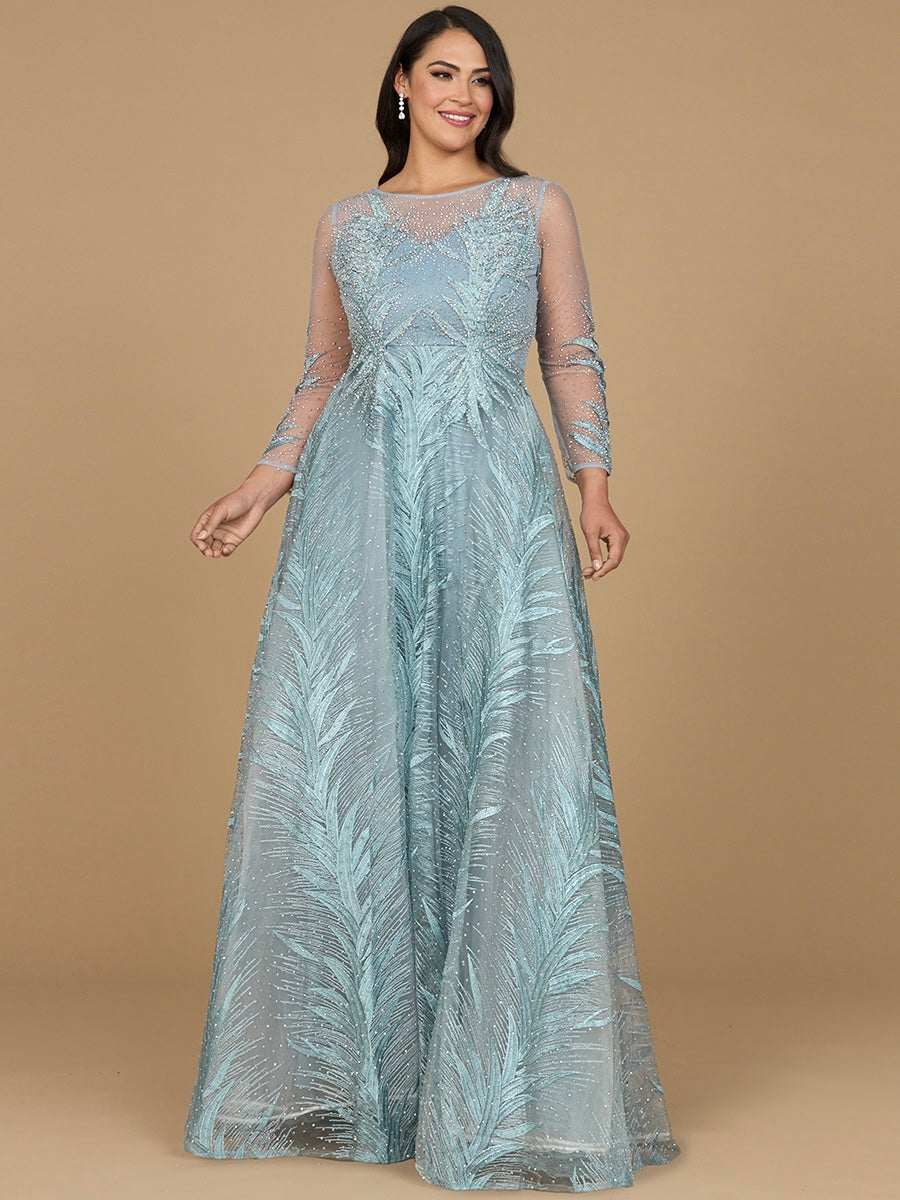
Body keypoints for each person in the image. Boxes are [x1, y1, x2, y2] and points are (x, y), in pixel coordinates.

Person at [183, 5, 682, 1191]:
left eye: (484, 78)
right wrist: (261, 483)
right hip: (356, 501)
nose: (467, 93)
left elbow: (570, 354)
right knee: (351, 758)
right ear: (400, 83)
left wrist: (594, 486)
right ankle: (372, 1086)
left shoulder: (534, 206)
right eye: (445, 72)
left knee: (503, 749)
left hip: (492, 494)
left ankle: (499, 1092)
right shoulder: (345, 223)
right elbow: (324, 372)